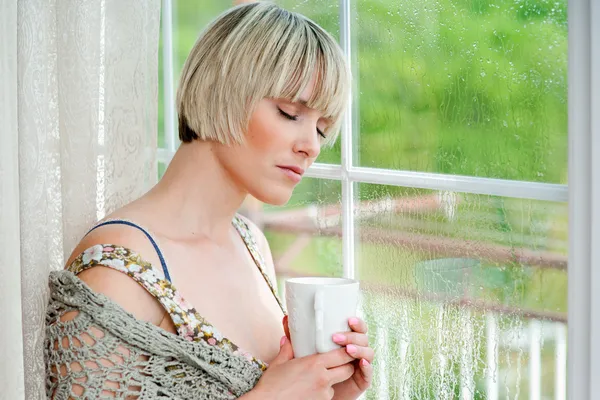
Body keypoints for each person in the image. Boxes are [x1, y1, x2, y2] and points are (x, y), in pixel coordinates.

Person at [45, 2, 374, 399]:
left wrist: (332, 390)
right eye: (290, 113)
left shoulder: (252, 243)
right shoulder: (115, 272)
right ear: (223, 90)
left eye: (322, 129)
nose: (311, 147)